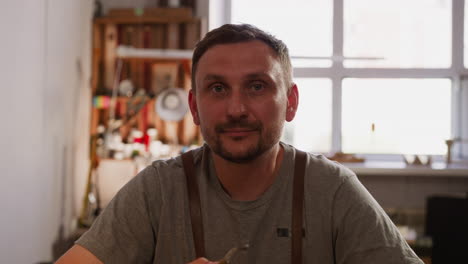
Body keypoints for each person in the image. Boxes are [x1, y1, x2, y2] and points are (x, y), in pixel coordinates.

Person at [56, 24, 423, 264]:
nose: (236, 109)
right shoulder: (160, 189)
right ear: (195, 107)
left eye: (257, 86)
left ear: (291, 102)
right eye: (218, 88)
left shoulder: (332, 190)